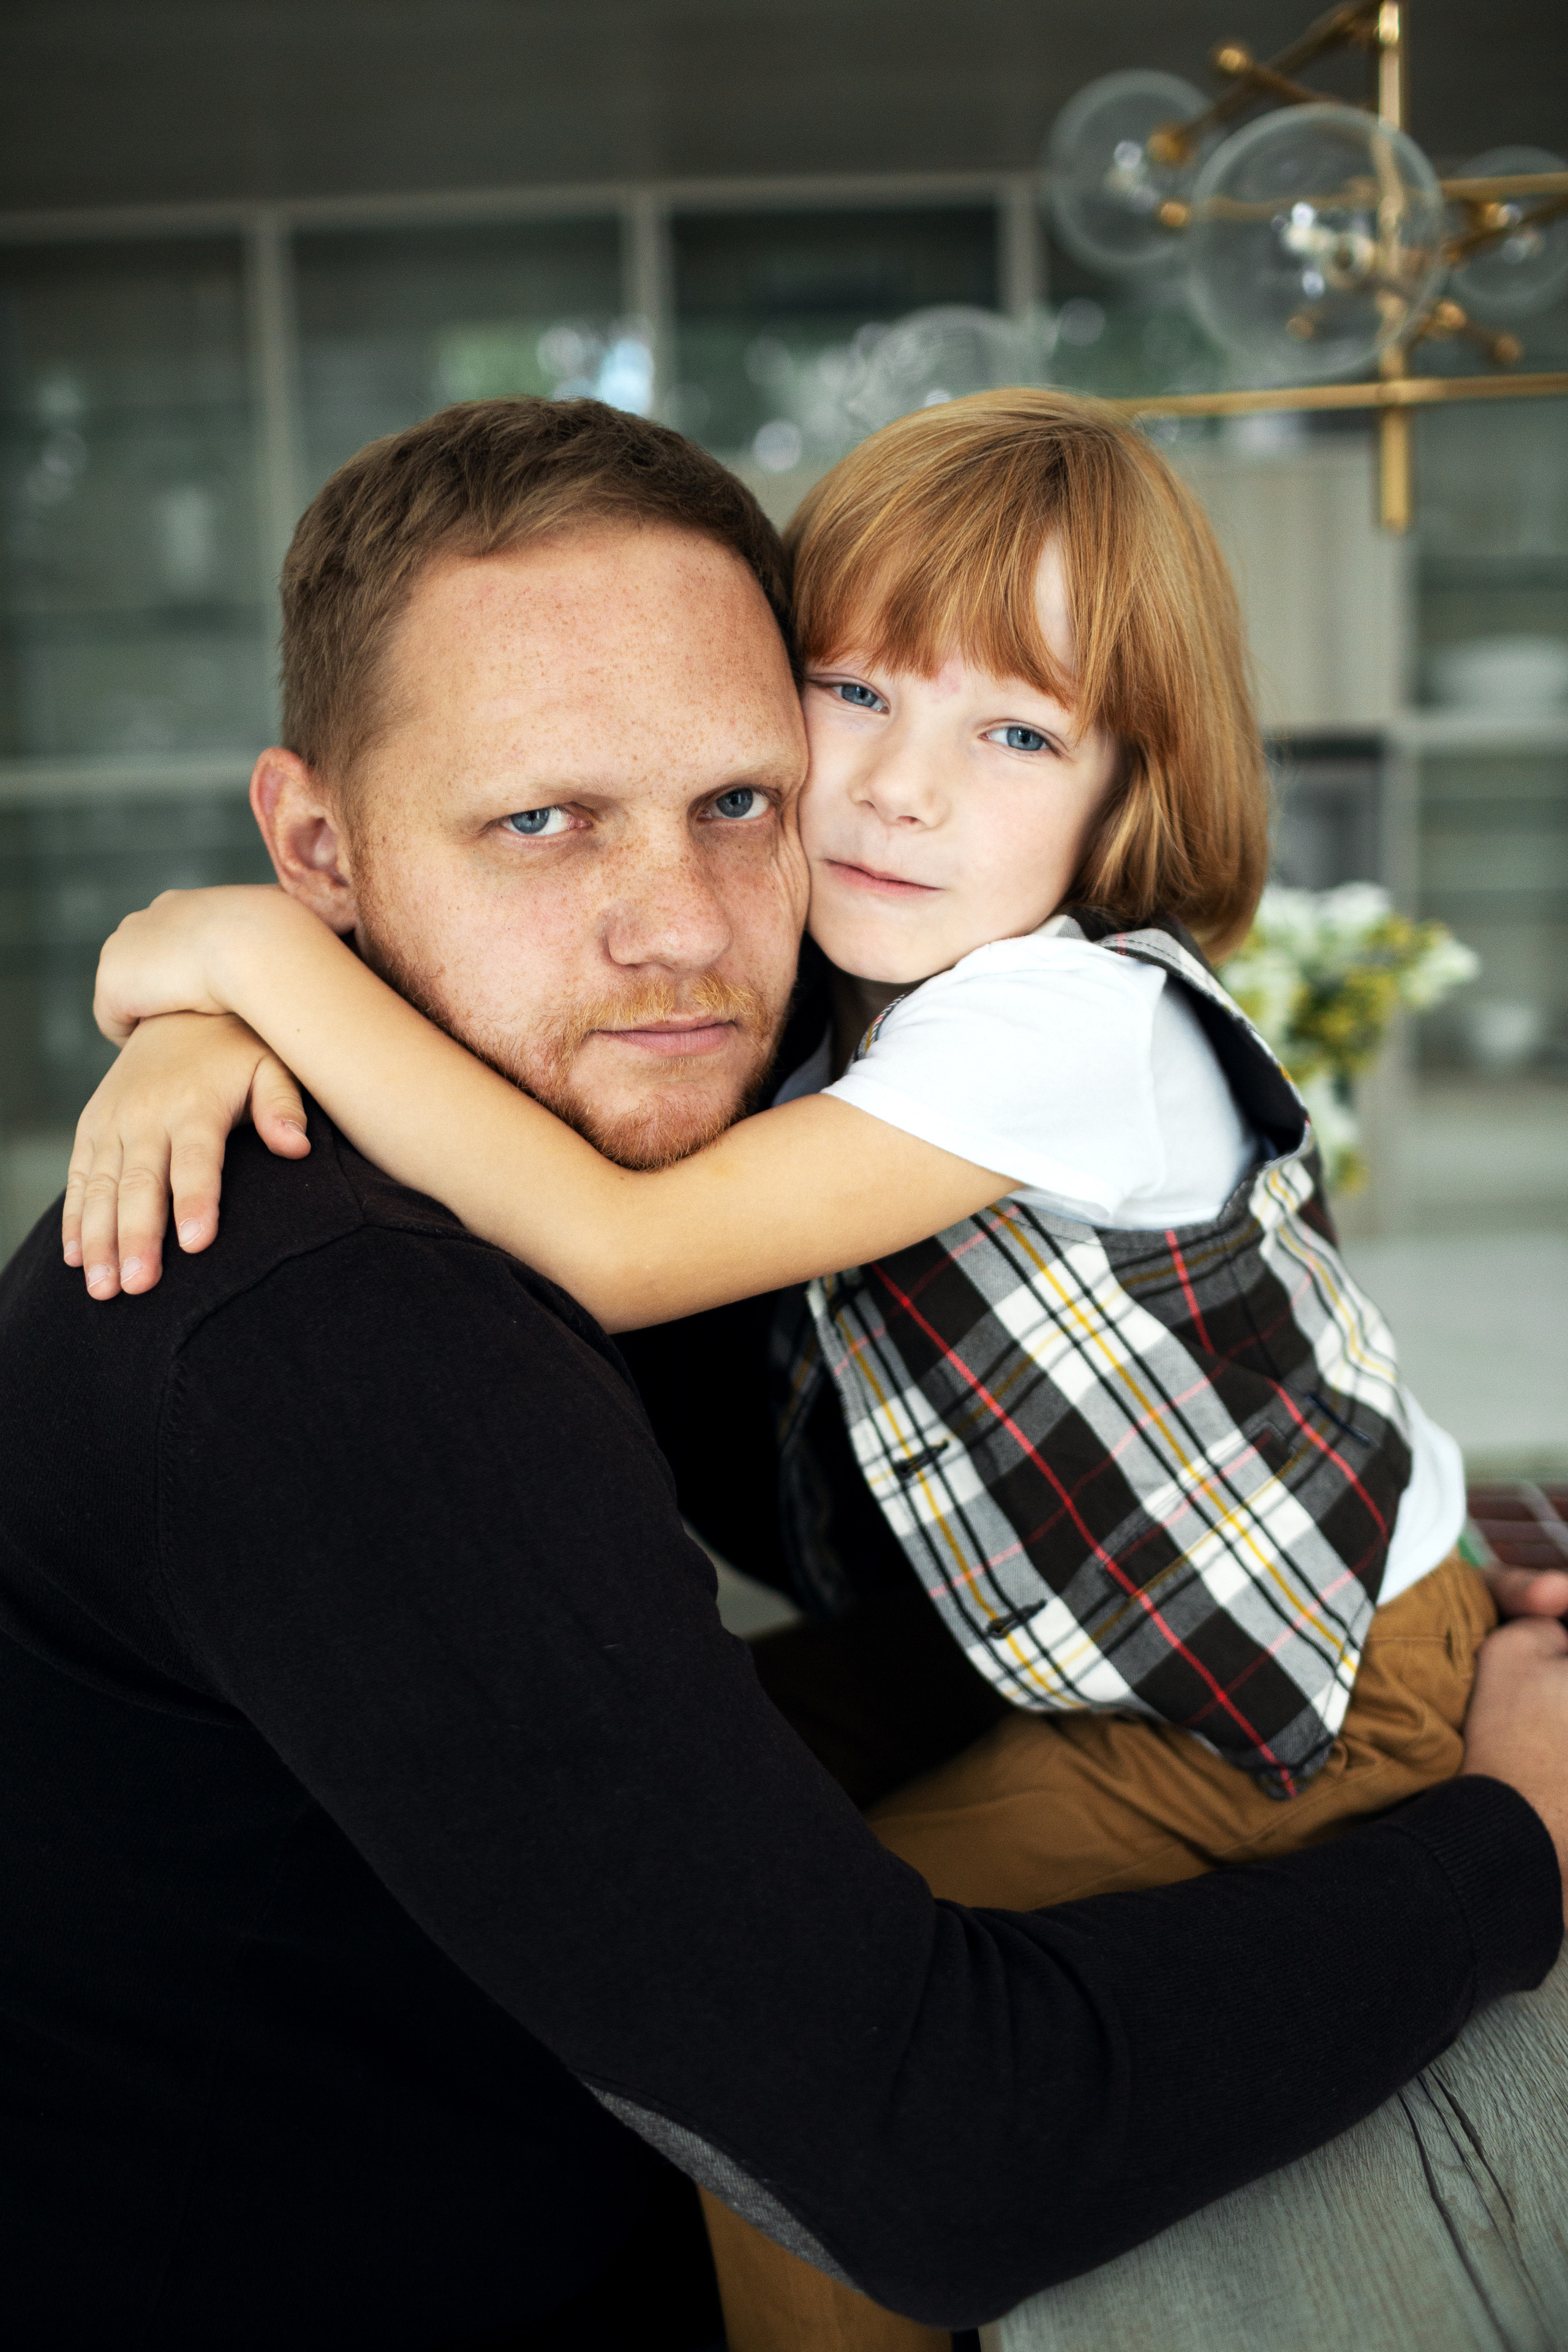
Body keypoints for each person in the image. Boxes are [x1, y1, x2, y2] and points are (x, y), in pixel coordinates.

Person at [7, 398, 1567, 2352]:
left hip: (1204, 1708)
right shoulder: (333, 1336)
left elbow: (781, 1430)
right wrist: (1513, 1848)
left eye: (737, 800)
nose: (677, 934)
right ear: (317, 847)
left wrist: (236, 982)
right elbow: (927, 2150)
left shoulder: (867, 1038)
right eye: (541, 821)